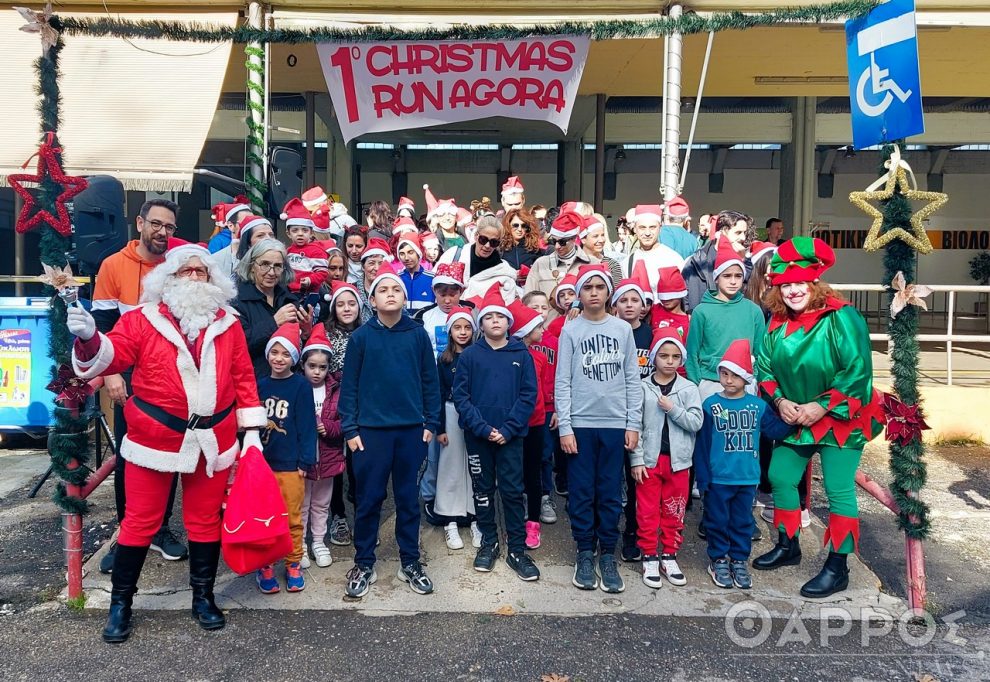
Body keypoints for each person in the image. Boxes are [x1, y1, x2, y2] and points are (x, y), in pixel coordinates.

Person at [66, 242, 267, 643]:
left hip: (214, 437)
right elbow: (113, 356)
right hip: (153, 439)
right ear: (167, 280)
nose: (194, 277)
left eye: (201, 272)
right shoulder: (141, 320)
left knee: (204, 521)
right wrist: (90, 338)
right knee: (140, 523)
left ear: (213, 280)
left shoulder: (228, 322)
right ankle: (121, 604)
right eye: (185, 272)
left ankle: (203, 597)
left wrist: (253, 434)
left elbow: (244, 378)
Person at [752, 237, 885, 598]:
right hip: (796, 414)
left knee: (839, 489)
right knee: (780, 474)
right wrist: (779, 401)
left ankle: (838, 566)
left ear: (814, 284)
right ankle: (789, 544)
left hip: (841, 415)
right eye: (786, 284)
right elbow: (764, 367)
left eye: (799, 283)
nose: (793, 290)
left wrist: (822, 406)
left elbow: (858, 370)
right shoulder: (778, 322)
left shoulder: (842, 316)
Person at [91, 198, 185, 575]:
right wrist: (111, 373)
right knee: (130, 457)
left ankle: (159, 530)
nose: (163, 233)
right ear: (140, 223)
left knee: (171, 457)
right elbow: (102, 327)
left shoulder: (178, 266)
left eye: (170, 228)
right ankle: (128, 533)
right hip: (128, 375)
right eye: (157, 225)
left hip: (171, 375)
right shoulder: (113, 265)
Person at [340, 266, 441, 598]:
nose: (390, 294)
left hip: (411, 432)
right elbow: (349, 386)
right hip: (370, 433)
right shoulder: (361, 338)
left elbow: (430, 381)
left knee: (408, 501)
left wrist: (430, 423)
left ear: (404, 297)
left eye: (396, 290)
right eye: (383, 290)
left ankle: (410, 560)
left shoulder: (417, 335)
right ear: (372, 299)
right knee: (369, 500)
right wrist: (350, 427)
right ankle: (364, 561)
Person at [556, 264, 643, 593]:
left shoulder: (622, 330)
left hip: (614, 426)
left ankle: (608, 552)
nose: (593, 292)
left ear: (609, 293)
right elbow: (562, 381)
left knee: (609, 493)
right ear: (579, 293)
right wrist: (565, 426)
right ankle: (584, 551)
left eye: (599, 287)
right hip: (580, 425)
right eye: (587, 287)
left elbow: (632, 381)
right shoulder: (571, 331)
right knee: (581, 493)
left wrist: (632, 423)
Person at [453, 285, 540, 581]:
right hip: (478, 438)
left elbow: (528, 395)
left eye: (499, 317)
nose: (494, 321)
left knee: (514, 492)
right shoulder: (469, 357)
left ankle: (516, 548)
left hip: (511, 437)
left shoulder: (522, 354)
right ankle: (489, 542)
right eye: (488, 317)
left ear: (508, 323)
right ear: (482, 324)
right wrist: (482, 428)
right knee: (483, 490)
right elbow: (461, 398)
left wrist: (507, 429)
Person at [695, 340, 791, 590]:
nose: (728, 380)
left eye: (735, 375)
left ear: (746, 378)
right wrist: (702, 478)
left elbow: (776, 430)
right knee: (716, 521)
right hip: (718, 479)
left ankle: (738, 560)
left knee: (742, 522)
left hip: (747, 478)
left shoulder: (757, 406)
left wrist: (796, 416)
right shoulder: (710, 405)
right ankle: (718, 560)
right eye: (724, 374)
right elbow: (702, 444)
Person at [629, 328, 703, 588]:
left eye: (674, 356)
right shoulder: (642, 387)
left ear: (681, 359)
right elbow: (634, 425)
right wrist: (636, 459)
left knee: (674, 510)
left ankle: (669, 554)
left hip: (678, 462)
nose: (669, 361)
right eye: (663, 355)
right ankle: (649, 555)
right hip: (650, 461)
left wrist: (673, 409)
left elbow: (696, 422)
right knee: (647, 511)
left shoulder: (688, 388)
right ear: (653, 357)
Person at [255, 323, 317, 594]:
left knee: (292, 516)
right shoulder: (260, 385)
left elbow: (307, 427)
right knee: (263, 517)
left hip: (291, 466)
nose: (279, 358)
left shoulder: (301, 386)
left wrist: (305, 461)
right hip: (263, 465)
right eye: (274, 352)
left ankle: (293, 563)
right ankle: (265, 564)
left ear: (294, 358)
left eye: (285, 354)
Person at [685, 238, 766, 401]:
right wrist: (697, 383)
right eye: (727, 275)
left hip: (745, 382)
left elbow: (760, 352)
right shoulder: (701, 311)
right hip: (710, 383)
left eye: (738, 275)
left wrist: (755, 378)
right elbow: (692, 351)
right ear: (716, 278)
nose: (733, 281)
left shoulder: (754, 311)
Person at [609, 273, 652, 563]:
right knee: (614, 479)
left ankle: (634, 534)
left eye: (634, 300)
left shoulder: (651, 336)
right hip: (613, 414)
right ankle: (610, 531)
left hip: (644, 417)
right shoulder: (610, 332)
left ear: (644, 306)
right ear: (614, 306)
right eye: (623, 300)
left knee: (638, 478)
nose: (628, 305)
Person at [435, 307, 483, 550]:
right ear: (450, 331)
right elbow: (439, 394)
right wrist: (440, 427)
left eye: (467, 327)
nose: (462, 332)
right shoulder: (444, 360)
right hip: (452, 413)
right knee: (450, 465)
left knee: (474, 465)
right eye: (457, 327)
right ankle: (449, 518)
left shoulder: (479, 355)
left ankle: (475, 517)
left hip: (475, 415)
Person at [298, 326, 344, 569]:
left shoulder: (336, 389)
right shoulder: (296, 387)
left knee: (321, 503)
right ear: (303, 364)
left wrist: (329, 427)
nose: (316, 372)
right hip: (304, 458)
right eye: (311, 366)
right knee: (302, 503)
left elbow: (345, 420)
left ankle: (318, 541)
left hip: (328, 455)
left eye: (322, 367)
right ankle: (301, 545)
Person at [233, 238, 310, 378]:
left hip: (289, 383)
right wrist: (274, 322)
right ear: (252, 266)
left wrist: (305, 332)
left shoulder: (289, 299)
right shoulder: (238, 301)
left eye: (277, 266)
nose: (271, 272)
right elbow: (238, 345)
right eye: (265, 264)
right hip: (254, 383)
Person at [507, 300, 550, 550]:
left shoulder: (540, 357)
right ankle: (514, 522)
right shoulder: (509, 358)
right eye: (538, 327)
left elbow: (541, 390)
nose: (543, 331)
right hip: (514, 424)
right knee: (514, 475)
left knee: (534, 474)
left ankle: (533, 523)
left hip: (536, 423)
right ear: (525, 331)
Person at [324, 280, 363, 547]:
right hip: (332, 401)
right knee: (334, 460)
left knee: (358, 460)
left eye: (351, 304)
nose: (346, 309)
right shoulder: (324, 332)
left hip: (361, 401)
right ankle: (337, 514)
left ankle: (362, 512)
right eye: (341, 304)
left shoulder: (366, 332)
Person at [525, 290, 560, 522]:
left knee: (545, 455)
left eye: (543, 307)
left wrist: (557, 406)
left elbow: (561, 375)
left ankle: (544, 496)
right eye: (533, 307)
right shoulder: (517, 342)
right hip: (525, 409)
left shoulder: (554, 342)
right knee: (523, 455)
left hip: (547, 407)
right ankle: (526, 495)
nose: (539, 312)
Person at [524, 210, 599, 314]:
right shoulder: (541, 264)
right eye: (554, 241)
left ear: (574, 239)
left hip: (583, 326)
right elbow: (527, 302)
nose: (557, 246)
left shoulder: (593, 264)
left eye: (562, 242)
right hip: (547, 327)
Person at [681, 210, 755, 312]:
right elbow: (686, 299)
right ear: (720, 233)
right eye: (738, 233)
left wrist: (744, 261)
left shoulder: (747, 261)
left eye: (744, 233)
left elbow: (749, 294)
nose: (743, 238)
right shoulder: (697, 261)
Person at [437, 215, 518, 302]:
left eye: (493, 242)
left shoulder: (505, 273)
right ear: (476, 236)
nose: (487, 246)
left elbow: (505, 307)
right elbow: (436, 287)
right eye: (483, 239)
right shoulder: (453, 255)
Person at [625, 204, 685, 291]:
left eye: (652, 227)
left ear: (660, 228)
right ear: (634, 229)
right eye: (642, 228)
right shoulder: (628, 263)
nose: (647, 233)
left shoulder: (674, 259)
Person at [281, 198, 329, 303]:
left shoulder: (317, 251)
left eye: (305, 230)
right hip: (288, 293)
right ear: (288, 233)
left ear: (311, 233)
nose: (300, 234)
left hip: (308, 295)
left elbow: (322, 273)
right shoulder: (287, 251)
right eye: (295, 230)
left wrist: (310, 280)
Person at [414, 262, 466, 357]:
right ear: (433, 290)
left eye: (452, 295)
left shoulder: (470, 315)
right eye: (442, 295)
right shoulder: (423, 317)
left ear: (461, 291)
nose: (447, 301)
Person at [395, 232, 436, 312]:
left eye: (410, 252)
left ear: (418, 253)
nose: (406, 258)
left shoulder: (432, 278)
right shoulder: (396, 279)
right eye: (402, 254)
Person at [652, 266, 691, 348]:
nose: (666, 300)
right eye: (663, 297)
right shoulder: (654, 310)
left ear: (680, 294)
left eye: (670, 296)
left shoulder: (688, 321)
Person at [500, 208, 545, 278]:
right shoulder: (500, 248)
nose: (520, 229)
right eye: (515, 225)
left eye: (524, 226)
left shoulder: (534, 249)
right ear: (508, 225)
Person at [354, 238, 390, 324]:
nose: (376, 268)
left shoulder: (391, 289)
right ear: (363, 266)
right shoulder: (353, 290)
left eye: (381, 263)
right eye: (371, 263)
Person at [582, 215, 623, 286]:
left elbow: (616, 293)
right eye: (595, 236)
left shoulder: (612, 265)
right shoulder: (574, 263)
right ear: (583, 239)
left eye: (603, 235)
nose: (601, 240)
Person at [424, 185, 466, 252]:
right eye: (442, 214)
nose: (447, 218)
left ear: (456, 218)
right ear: (438, 219)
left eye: (450, 214)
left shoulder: (464, 238)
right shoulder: (434, 240)